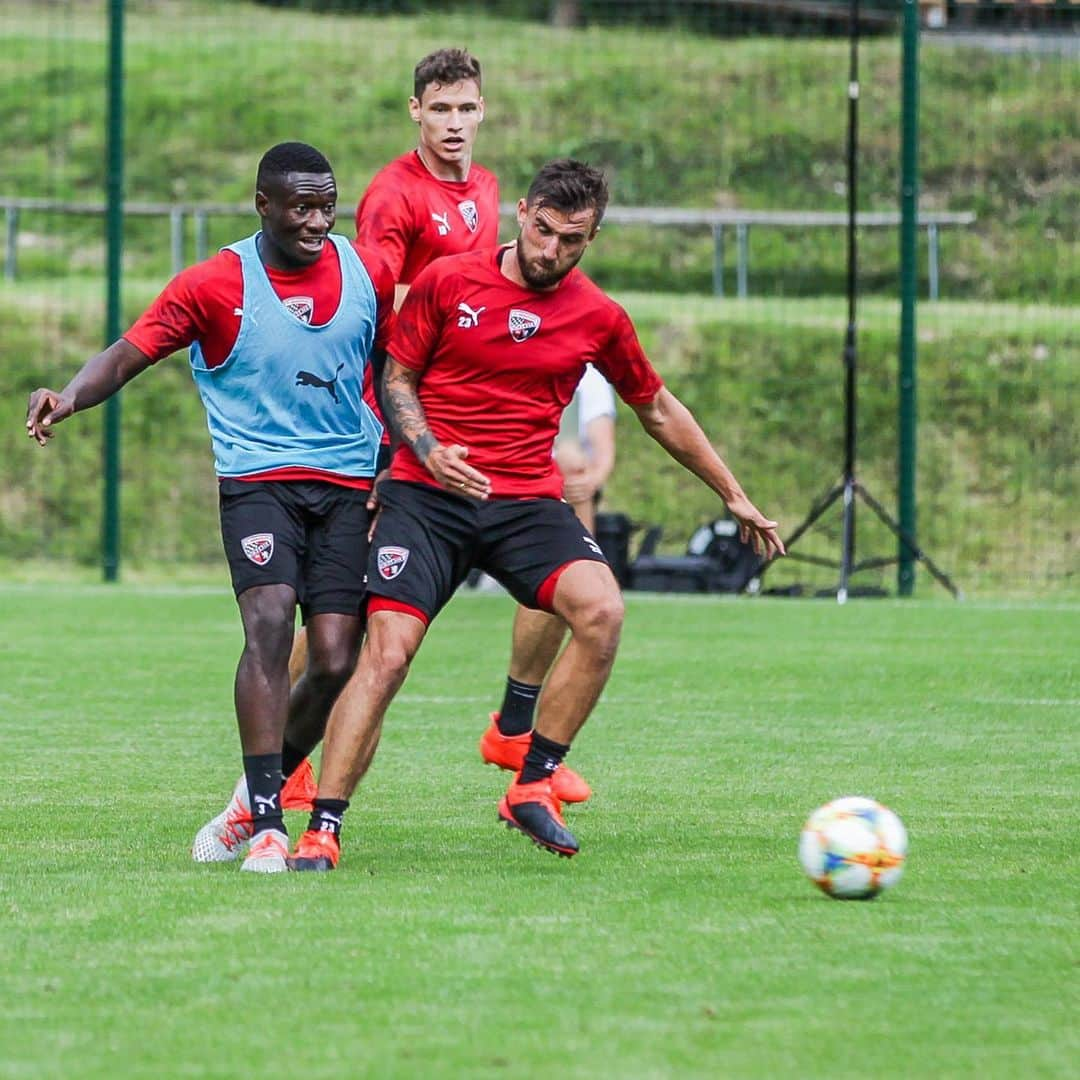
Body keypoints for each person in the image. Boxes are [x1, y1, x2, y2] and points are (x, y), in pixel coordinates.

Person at [285, 159, 785, 872]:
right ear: (523, 212)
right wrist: (424, 448)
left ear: (592, 238)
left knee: (603, 610)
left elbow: (657, 408)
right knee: (388, 654)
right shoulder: (448, 282)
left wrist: (730, 491)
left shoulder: (598, 316)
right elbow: (396, 376)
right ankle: (324, 827)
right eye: (543, 230)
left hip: (523, 501)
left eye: (571, 240)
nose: (551, 251)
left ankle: (534, 781)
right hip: (427, 497)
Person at [25, 142, 396, 873]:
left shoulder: (367, 272)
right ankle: (265, 824)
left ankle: (248, 796)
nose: (318, 221)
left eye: (328, 206)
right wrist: (69, 395)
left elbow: (398, 368)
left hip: (350, 484)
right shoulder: (215, 283)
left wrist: (400, 459)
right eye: (301, 207)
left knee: (332, 659)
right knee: (266, 622)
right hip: (257, 480)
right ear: (262, 205)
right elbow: (129, 353)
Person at [189, 49, 505, 864]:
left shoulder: (488, 193)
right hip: (382, 430)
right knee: (292, 629)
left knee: (344, 646)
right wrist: (390, 438)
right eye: (442, 110)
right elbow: (366, 326)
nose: (456, 124)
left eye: (468, 109)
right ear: (416, 112)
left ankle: (522, 739)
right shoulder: (394, 200)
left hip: (447, 424)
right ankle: (271, 804)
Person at [477, 364, 616, 803]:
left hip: (535, 497)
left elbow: (606, 442)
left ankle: (518, 737)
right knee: (350, 630)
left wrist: (588, 478)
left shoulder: (588, 367)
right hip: (438, 475)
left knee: (578, 591)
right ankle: (280, 769)